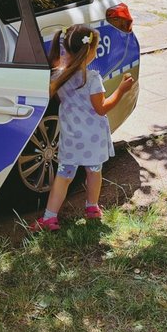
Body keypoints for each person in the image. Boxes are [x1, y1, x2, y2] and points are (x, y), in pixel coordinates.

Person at [30, 24, 135, 231]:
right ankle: (92, 208)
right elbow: (101, 108)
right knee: (94, 172)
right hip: (93, 138)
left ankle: (50, 218)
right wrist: (121, 90)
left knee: (63, 177)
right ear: (89, 52)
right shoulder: (92, 79)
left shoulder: (57, 77)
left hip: (71, 138)